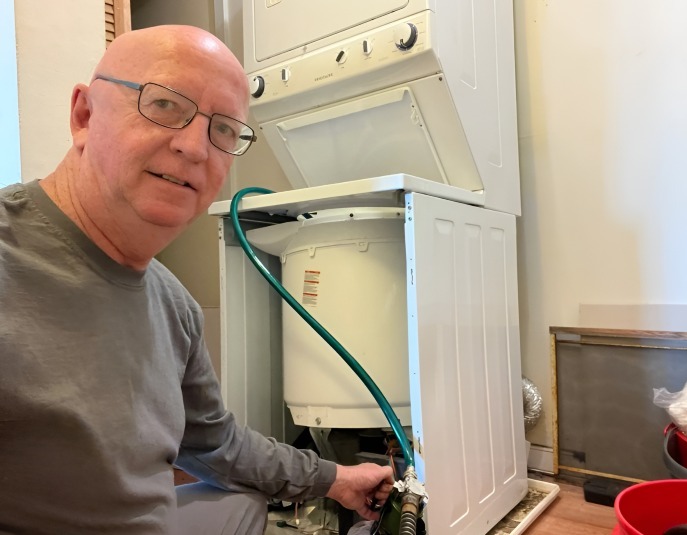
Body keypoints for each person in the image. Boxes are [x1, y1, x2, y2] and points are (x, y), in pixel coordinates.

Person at [0, 25, 394, 535]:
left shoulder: (174, 305)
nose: (193, 147)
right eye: (164, 105)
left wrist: (334, 477)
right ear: (84, 114)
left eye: (224, 129)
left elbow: (218, 444)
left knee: (243, 501)